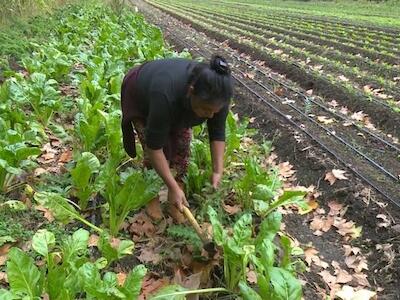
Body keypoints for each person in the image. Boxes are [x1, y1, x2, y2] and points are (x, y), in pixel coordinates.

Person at [120, 55, 233, 213]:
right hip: (141, 94)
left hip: (175, 98)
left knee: (181, 148)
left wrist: (217, 170)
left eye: (215, 111)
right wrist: (170, 186)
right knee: (153, 149)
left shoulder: (219, 96)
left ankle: (176, 199)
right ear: (191, 92)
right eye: (206, 110)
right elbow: (154, 148)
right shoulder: (165, 94)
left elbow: (217, 132)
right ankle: (151, 196)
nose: (210, 116)